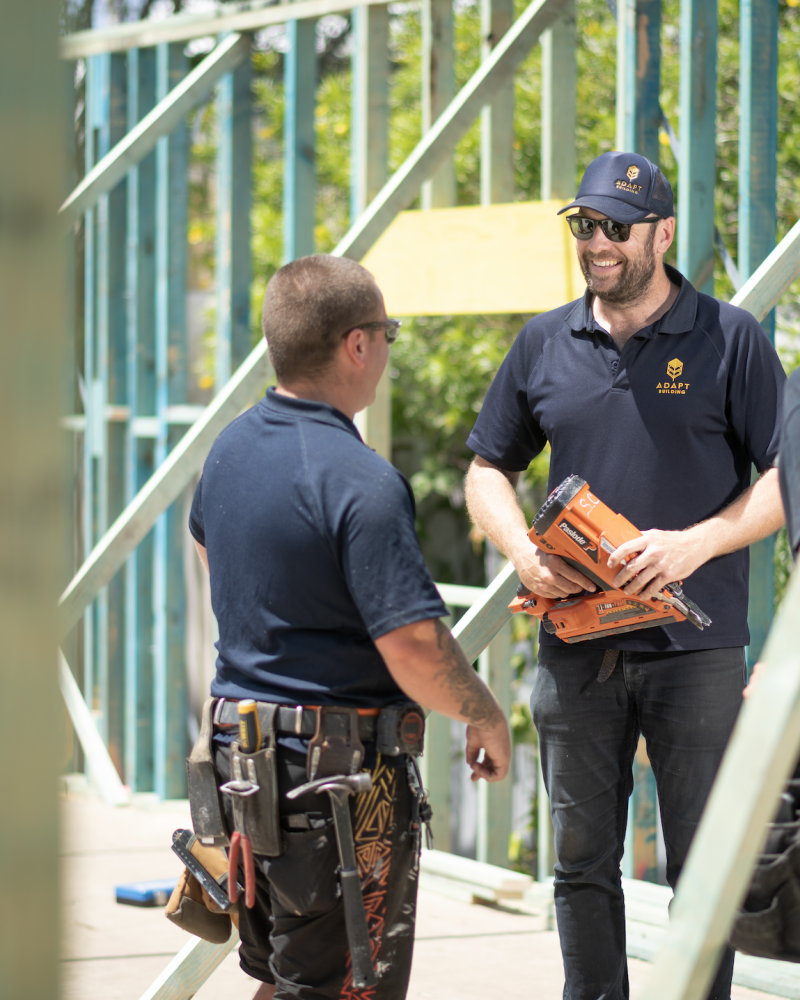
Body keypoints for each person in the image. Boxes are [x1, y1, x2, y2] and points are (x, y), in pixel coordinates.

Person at [463, 151, 785, 1000]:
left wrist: (696, 543)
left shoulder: (731, 338)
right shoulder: (543, 342)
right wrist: (522, 552)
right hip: (577, 654)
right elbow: (485, 469)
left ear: (663, 233)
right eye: (585, 225)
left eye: (616, 227)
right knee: (579, 867)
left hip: (697, 650)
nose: (597, 242)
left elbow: (786, 479)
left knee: (703, 875)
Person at [188, 253, 511, 1000]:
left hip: (242, 766)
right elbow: (413, 647)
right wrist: (485, 713)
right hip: (334, 785)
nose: (387, 349)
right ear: (357, 344)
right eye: (388, 333)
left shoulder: (229, 451)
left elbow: (213, 552)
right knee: (343, 988)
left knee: (289, 976)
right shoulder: (358, 479)